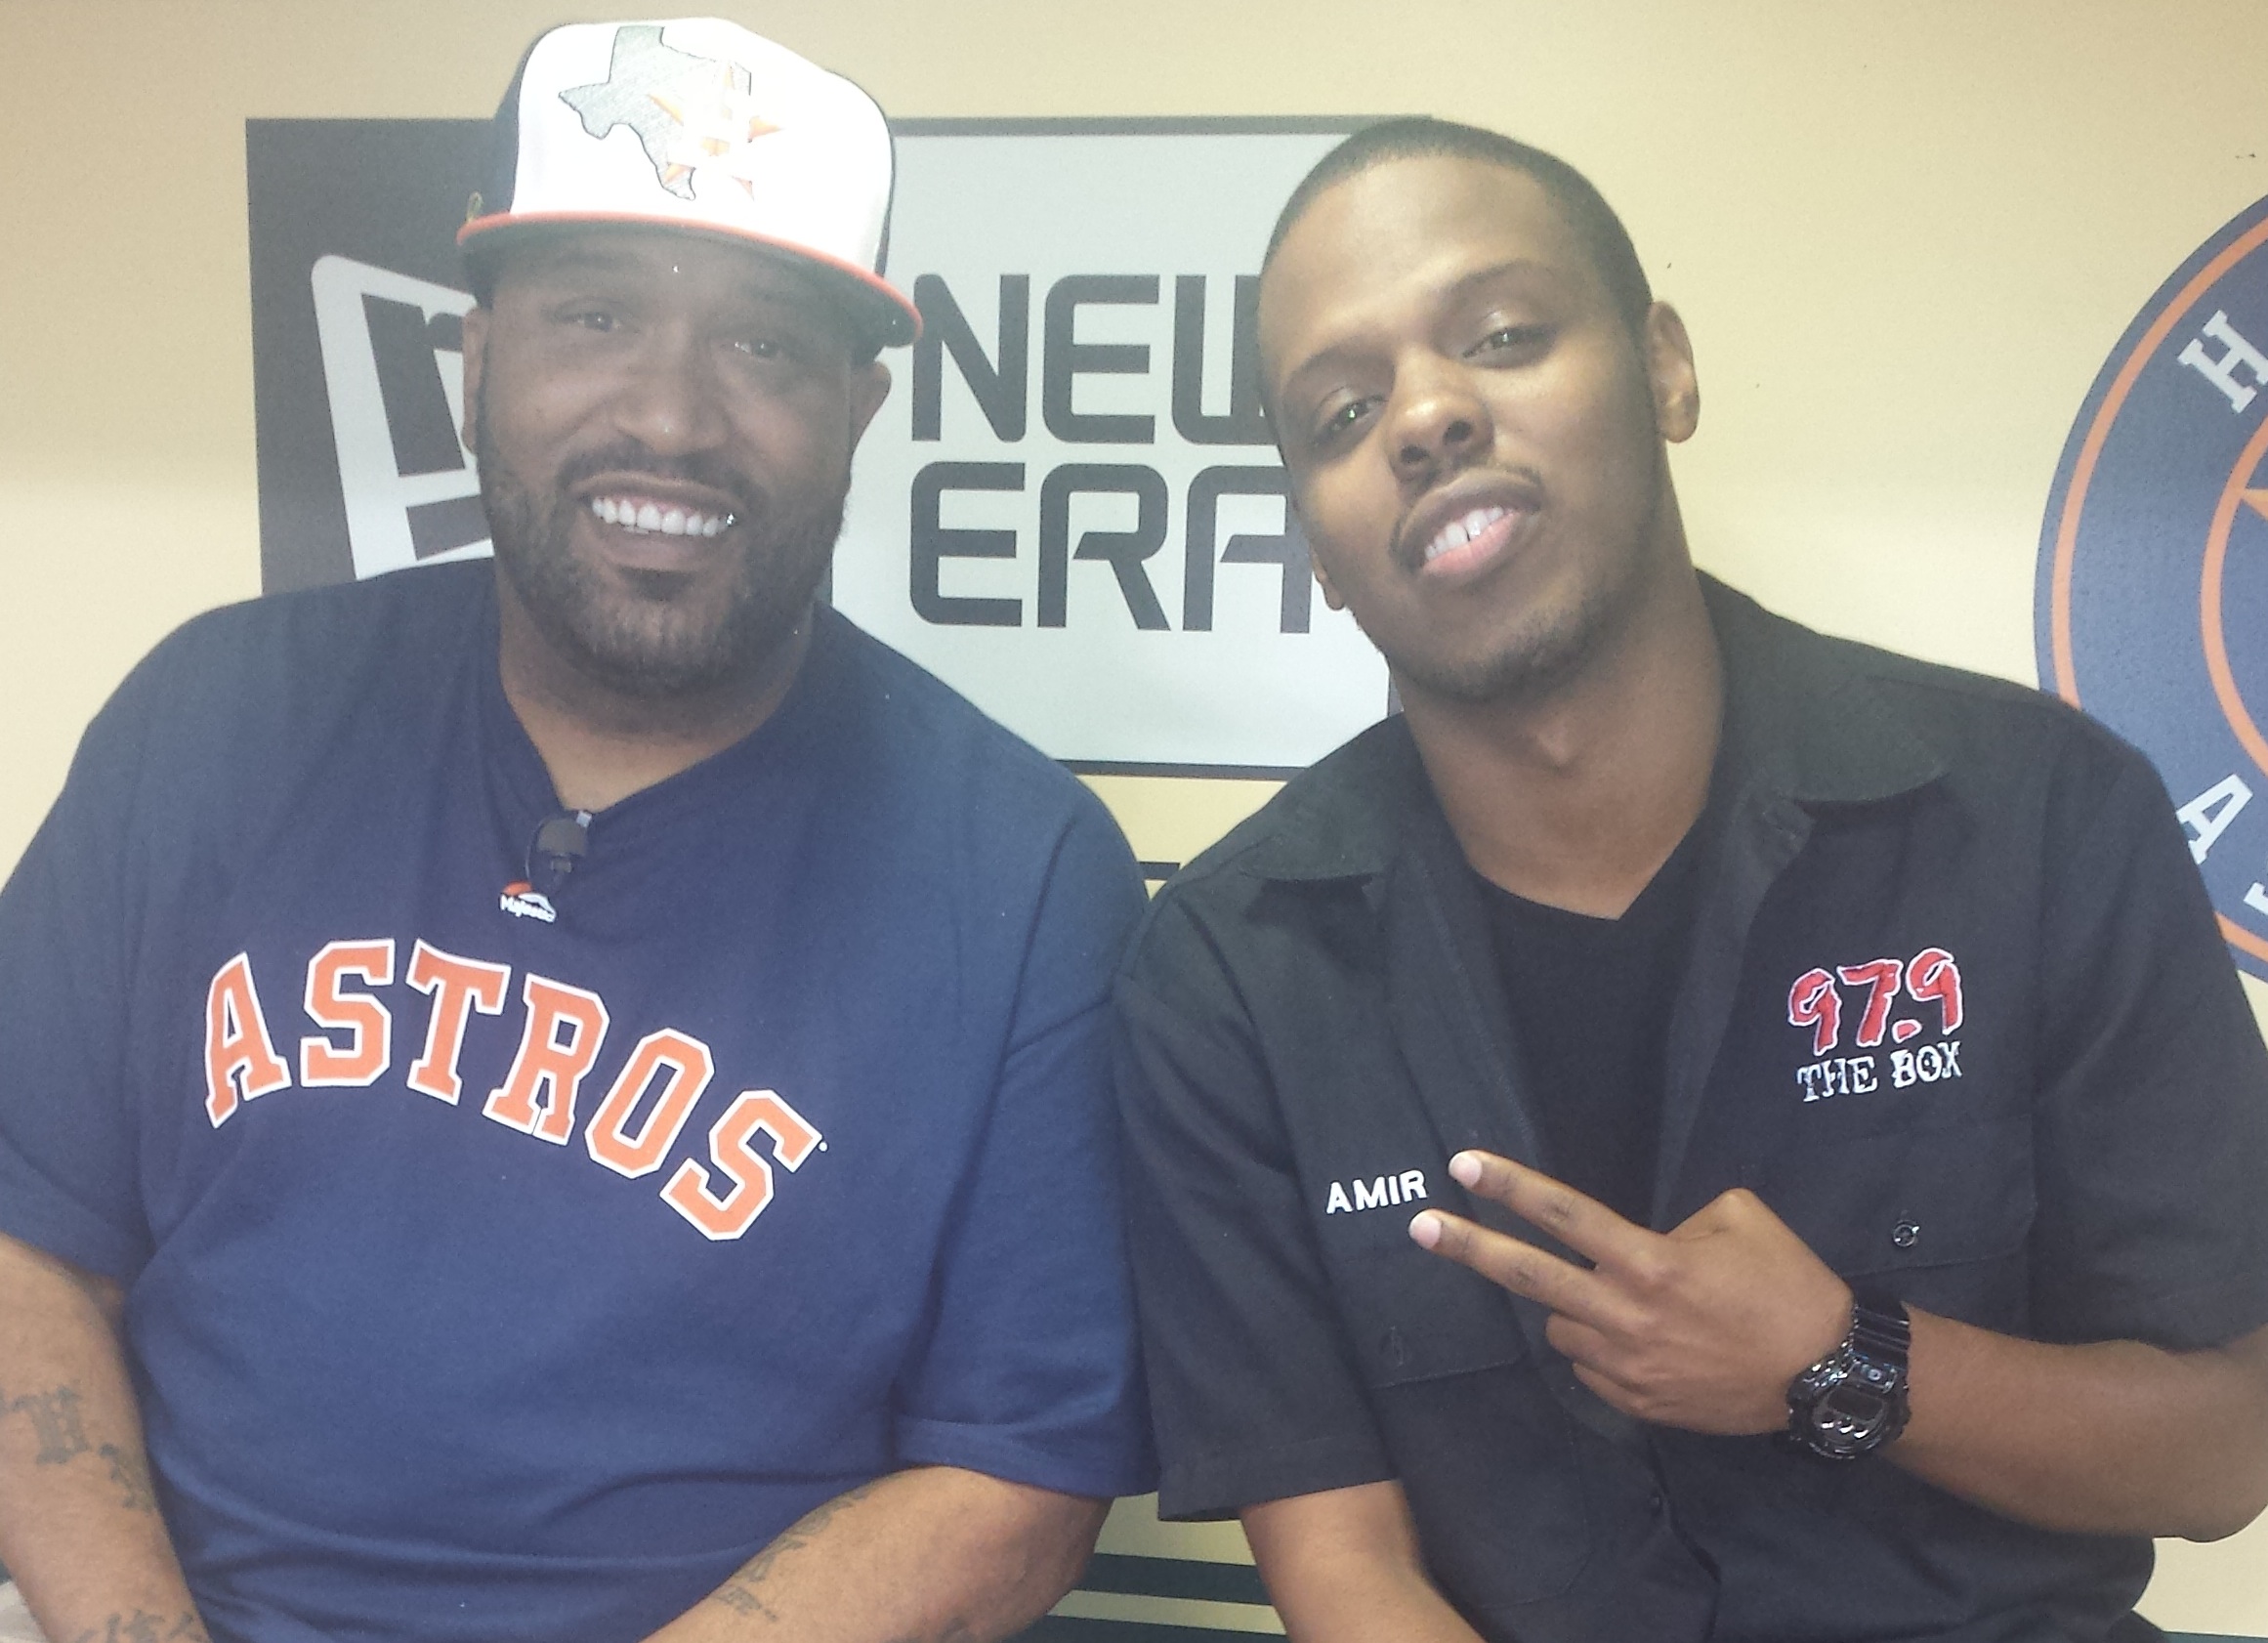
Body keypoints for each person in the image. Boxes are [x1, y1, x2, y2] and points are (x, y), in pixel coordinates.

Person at [0, 19, 1151, 1643]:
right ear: (477, 360)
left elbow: (1015, 1479)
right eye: (595, 316)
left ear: (861, 407)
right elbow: (29, 1248)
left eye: (764, 345)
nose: (670, 416)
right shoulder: (216, 716)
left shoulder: (1019, 868)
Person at [1113, 116, 2268, 1643]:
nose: (1426, 416)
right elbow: (1346, 1570)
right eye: (1340, 411)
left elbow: (2221, 1446)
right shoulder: (1229, 969)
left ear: (1663, 367)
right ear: (1316, 549)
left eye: (1501, 334)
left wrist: (1840, 1359)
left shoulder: (2040, 815)